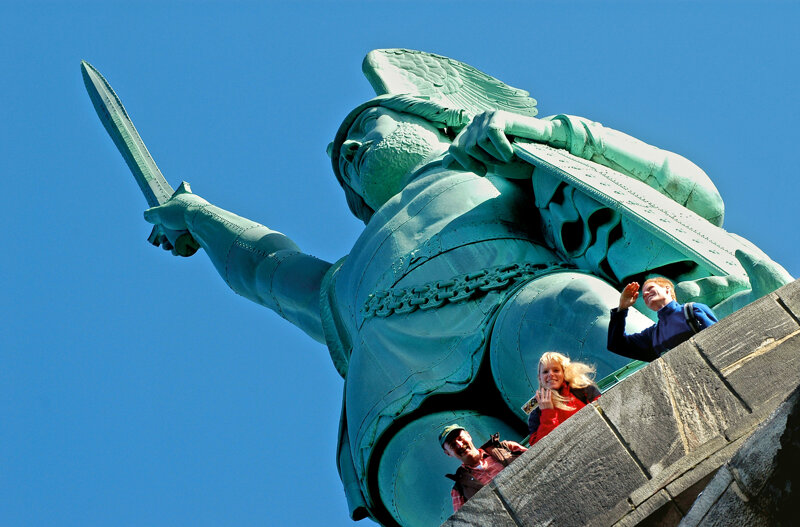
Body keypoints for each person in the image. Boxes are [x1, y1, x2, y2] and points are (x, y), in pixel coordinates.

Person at [135, 50, 791, 526]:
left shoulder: (487, 166)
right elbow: (263, 266)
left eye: (369, 126)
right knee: (435, 483)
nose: (350, 148)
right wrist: (197, 216)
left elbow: (687, 190)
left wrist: (537, 135)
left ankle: (679, 395)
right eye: (342, 158)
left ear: (429, 125)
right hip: (399, 403)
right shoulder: (339, 286)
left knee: (568, 316)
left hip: (521, 309)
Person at [607, 277, 718, 362]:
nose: (645, 294)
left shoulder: (693, 310)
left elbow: (717, 339)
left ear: (667, 289)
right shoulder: (652, 334)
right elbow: (617, 344)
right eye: (644, 296)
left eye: (650, 288)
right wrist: (622, 307)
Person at [439, 424, 527, 512]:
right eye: (453, 445)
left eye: (460, 438)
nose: (460, 445)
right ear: (448, 453)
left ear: (468, 436)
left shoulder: (508, 448)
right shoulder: (459, 490)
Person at [527, 352, 601, 445]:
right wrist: (547, 412)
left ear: (564, 373)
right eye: (545, 371)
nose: (550, 374)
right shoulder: (536, 412)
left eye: (556, 370)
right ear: (540, 378)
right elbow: (540, 448)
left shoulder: (582, 389)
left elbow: (605, 411)